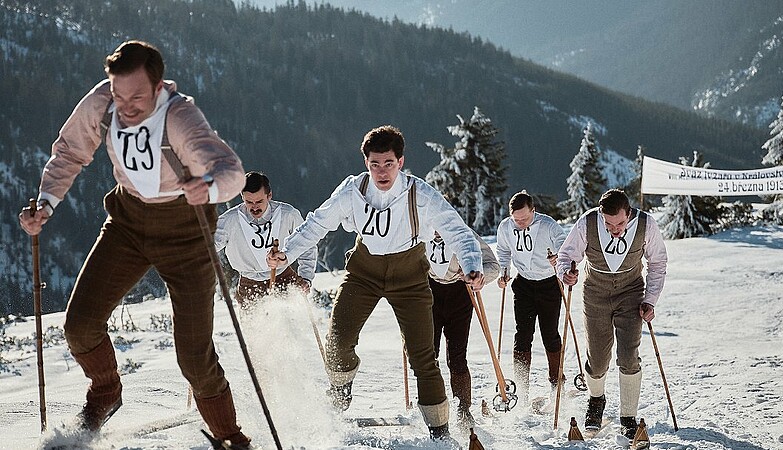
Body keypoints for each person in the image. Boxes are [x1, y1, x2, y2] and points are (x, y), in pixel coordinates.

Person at [18, 41, 253, 448]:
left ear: (159, 86)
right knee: (80, 326)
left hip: (185, 232)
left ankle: (231, 438)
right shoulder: (103, 103)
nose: (126, 105)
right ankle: (107, 391)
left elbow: (231, 171)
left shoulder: (180, 116)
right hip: (127, 222)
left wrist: (209, 186)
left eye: (137, 96)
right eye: (119, 93)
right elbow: (71, 150)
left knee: (195, 359)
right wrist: (46, 202)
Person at [267, 125, 484, 442]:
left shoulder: (420, 194)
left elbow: (458, 232)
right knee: (338, 341)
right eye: (374, 164)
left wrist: (472, 265)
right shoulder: (352, 192)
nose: (382, 171)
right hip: (364, 272)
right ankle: (341, 389)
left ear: (401, 161)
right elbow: (317, 223)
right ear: (366, 163)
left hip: (410, 276)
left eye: (389, 164)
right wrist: (286, 254)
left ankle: (440, 432)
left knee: (423, 357)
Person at [557, 188, 667, 441]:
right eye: (609, 223)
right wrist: (566, 272)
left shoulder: (645, 223)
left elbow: (658, 262)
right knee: (597, 359)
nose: (614, 229)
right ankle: (596, 400)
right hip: (595, 291)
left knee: (628, 355)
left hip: (631, 292)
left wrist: (650, 300)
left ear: (628, 213)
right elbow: (566, 255)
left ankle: (628, 416)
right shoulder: (587, 222)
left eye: (619, 223)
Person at [495, 190, 567, 403]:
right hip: (524, 283)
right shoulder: (506, 227)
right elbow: (503, 250)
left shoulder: (548, 225)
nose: (521, 223)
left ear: (533, 211)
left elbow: (565, 245)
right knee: (522, 334)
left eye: (525, 218)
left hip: (549, 284)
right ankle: (521, 387)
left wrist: (559, 257)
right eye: (516, 219)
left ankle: (557, 382)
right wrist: (504, 270)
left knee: (550, 334)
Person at [426, 230, 499, 429]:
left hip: (460, 293)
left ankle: (463, 410)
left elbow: (493, 266)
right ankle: (433, 407)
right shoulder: (418, 231)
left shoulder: (463, 233)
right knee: (428, 355)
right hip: (429, 291)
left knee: (456, 357)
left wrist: (475, 275)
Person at [215, 171, 317, 307]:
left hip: (285, 278)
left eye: (259, 201)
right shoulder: (230, 220)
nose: (254, 207)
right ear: (242, 197)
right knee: (256, 328)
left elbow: (306, 243)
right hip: (249, 284)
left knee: (292, 326)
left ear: (269, 195)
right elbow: (208, 247)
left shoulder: (288, 214)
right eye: (249, 202)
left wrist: (305, 277)